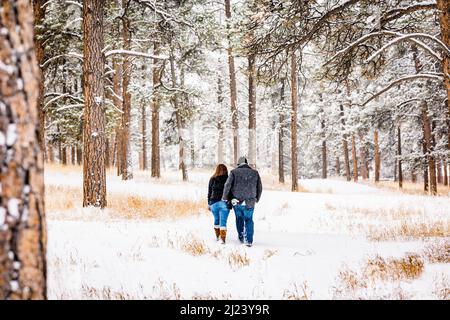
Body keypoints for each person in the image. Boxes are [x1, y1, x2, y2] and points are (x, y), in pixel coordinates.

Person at [222, 156, 262, 247]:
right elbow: (260, 187)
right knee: (249, 219)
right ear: (247, 164)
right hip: (250, 201)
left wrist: (225, 197)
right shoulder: (255, 173)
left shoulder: (234, 172)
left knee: (239, 219)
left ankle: (241, 237)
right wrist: (257, 198)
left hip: (237, 201)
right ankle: (249, 240)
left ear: (238, 164)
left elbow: (227, 185)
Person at [207, 164, 232, 244]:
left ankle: (217, 236)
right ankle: (222, 238)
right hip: (224, 202)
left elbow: (209, 192)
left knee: (216, 219)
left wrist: (209, 203)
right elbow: (231, 192)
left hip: (213, 203)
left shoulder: (212, 179)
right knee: (223, 221)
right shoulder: (228, 179)